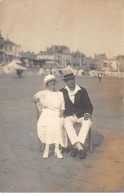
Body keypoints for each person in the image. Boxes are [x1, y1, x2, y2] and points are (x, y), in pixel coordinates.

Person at [60, 72, 93, 159]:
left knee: (88, 122)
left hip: (82, 115)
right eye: (69, 80)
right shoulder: (62, 92)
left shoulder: (82, 90)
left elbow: (89, 105)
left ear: (74, 80)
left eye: (72, 79)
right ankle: (80, 148)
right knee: (66, 122)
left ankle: (76, 147)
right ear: (66, 82)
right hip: (70, 115)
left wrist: (87, 113)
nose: (71, 81)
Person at [33, 74, 67, 159]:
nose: (52, 83)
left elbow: (63, 106)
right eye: (50, 81)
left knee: (57, 123)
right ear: (47, 83)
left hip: (57, 113)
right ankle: (47, 149)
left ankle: (56, 149)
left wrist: (61, 114)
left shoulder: (60, 93)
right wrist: (37, 100)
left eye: (53, 81)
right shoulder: (44, 93)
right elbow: (34, 98)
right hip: (46, 113)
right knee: (47, 124)